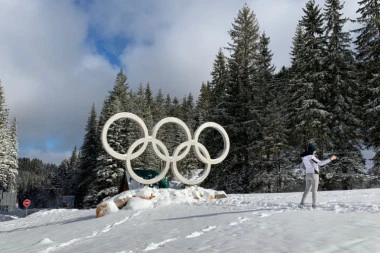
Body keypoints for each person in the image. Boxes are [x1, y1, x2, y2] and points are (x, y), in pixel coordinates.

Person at [299, 143, 337, 209]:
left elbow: (301, 166)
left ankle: (302, 203)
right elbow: (321, 163)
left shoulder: (304, 157)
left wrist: (307, 170)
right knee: (314, 190)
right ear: (312, 151)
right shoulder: (311, 157)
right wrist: (331, 159)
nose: (315, 152)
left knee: (307, 189)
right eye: (314, 150)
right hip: (314, 175)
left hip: (307, 175)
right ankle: (314, 205)